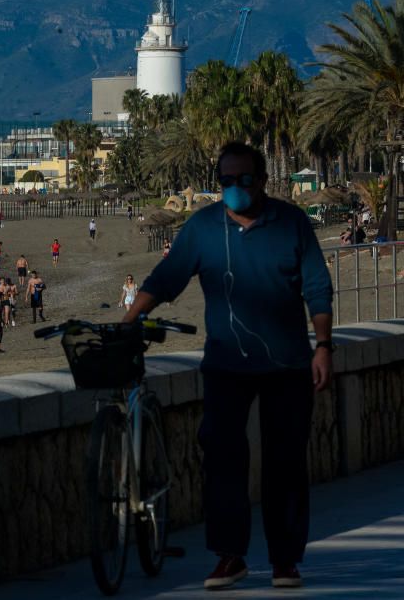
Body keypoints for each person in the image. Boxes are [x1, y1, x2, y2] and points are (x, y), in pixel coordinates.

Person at [121, 142, 333, 591]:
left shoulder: (290, 222)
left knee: (286, 463)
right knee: (221, 458)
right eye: (225, 181)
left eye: (243, 179)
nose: (234, 188)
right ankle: (229, 557)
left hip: (288, 364)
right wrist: (128, 320)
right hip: (225, 366)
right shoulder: (201, 227)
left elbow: (317, 286)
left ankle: (285, 561)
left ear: (262, 180)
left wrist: (324, 346)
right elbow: (166, 279)